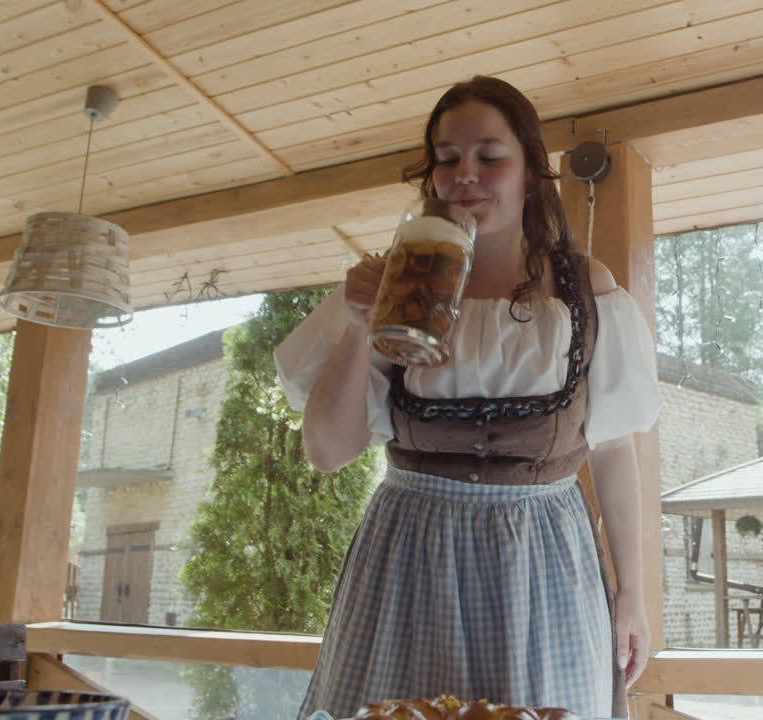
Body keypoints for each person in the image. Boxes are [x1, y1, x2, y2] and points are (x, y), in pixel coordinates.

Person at [274, 76, 660, 719]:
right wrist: (356, 320)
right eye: (447, 158)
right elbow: (327, 450)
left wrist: (632, 595)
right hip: (411, 555)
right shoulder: (391, 283)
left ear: (531, 171)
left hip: (546, 560)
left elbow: (614, 451)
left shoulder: (587, 289)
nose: (465, 174)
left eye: (490, 155)